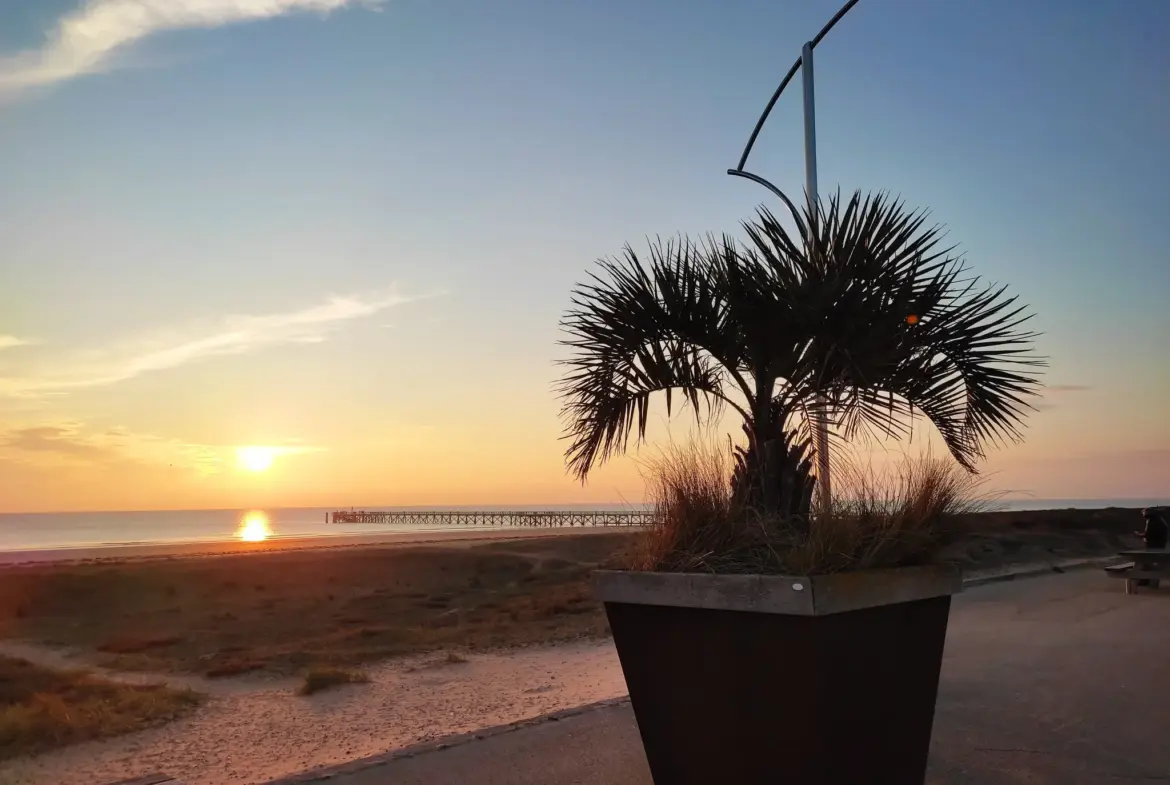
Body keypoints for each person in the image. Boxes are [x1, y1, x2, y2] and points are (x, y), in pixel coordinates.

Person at [1134, 508, 1168, 587]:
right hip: (1160, 546)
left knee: (1146, 562)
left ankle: (1144, 580)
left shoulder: (1151, 521)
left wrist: (1138, 535)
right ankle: (1151, 581)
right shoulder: (1161, 520)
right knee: (1153, 563)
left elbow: (1148, 534)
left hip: (1152, 546)